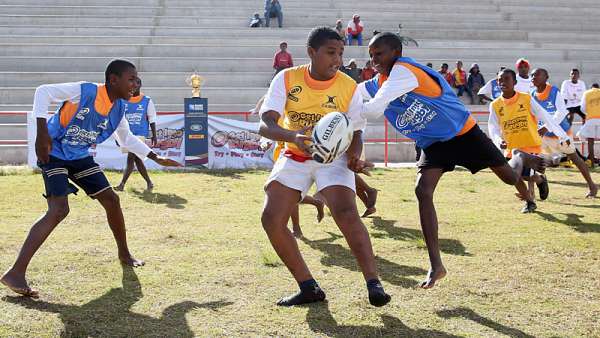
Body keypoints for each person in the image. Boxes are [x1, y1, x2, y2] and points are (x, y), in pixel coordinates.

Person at [358, 32, 550, 289]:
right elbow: (353, 92)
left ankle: (519, 155)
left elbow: (371, 109)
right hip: (434, 142)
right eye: (371, 55)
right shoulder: (380, 80)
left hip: (462, 132)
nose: (373, 60)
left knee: (511, 178)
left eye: (379, 54)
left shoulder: (405, 72)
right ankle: (436, 265)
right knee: (422, 190)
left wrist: (346, 113)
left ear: (396, 52)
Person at [0, 59, 181, 298]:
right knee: (58, 210)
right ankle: (15, 272)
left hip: (78, 156)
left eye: (137, 80)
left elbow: (125, 139)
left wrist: (155, 157)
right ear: (113, 79)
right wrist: (42, 132)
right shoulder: (84, 91)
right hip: (53, 152)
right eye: (131, 79)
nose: (136, 84)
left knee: (111, 200)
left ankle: (124, 254)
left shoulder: (118, 108)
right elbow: (42, 92)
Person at [258, 27, 390, 307]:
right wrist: (292, 136)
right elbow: (265, 124)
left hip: (334, 159)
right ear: (311, 53)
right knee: (271, 218)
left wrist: (354, 157)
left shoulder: (348, 86)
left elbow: (356, 131)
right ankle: (308, 287)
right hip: (295, 154)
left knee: (344, 211)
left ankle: (374, 284)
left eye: (341, 53)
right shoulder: (287, 78)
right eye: (331, 53)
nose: (337, 60)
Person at [488, 69, 570, 212]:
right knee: (515, 176)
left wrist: (561, 134)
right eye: (500, 80)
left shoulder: (526, 99)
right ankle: (530, 202)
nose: (502, 82)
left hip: (531, 145)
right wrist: (497, 140)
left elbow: (544, 115)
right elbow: (493, 127)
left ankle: (540, 181)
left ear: (514, 82)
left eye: (506, 79)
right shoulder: (495, 105)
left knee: (529, 176)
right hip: (512, 148)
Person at [531, 68, 597, 198]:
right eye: (532, 75)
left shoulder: (554, 91)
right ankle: (533, 192)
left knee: (575, 158)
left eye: (537, 74)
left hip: (561, 133)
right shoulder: (532, 94)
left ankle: (592, 185)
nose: (533, 77)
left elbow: (562, 112)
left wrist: (547, 126)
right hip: (543, 134)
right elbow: (534, 115)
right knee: (535, 160)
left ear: (546, 77)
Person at [115, 77, 158, 192]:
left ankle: (122, 184)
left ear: (140, 85)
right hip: (127, 135)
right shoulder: (123, 100)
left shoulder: (146, 100)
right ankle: (149, 183)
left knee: (131, 158)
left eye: (137, 83)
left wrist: (154, 134)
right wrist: (117, 136)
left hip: (140, 134)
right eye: (132, 83)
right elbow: (118, 118)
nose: (134, 85)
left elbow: (152, 118)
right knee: (137, 159)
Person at [578, 83, 600, 168]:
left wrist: (589, 112)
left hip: (591, 119)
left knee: (590, 142)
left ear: (591, 88)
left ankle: (592, 164)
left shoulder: (587, 93)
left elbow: (582, 108)